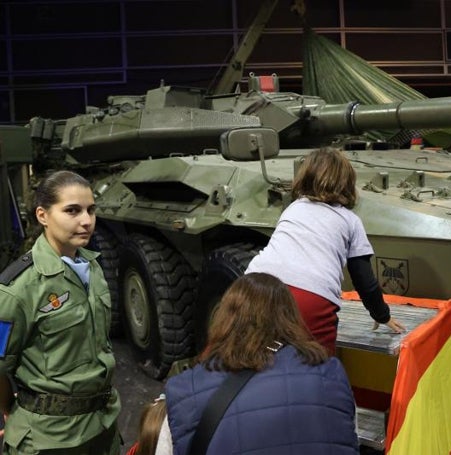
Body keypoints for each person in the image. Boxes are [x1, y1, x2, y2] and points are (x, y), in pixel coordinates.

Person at [156, 272, 359, 455]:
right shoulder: (332, 374)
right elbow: (350, 437)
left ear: (224, 319)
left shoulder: (184, 393)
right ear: (290, 318)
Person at [0, 170, 121, 454]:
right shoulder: (18, 288)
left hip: (103, 424)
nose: (86, 221)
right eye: (72, 211)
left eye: (91, 210)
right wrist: (8, 411)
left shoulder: (92, 268)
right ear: (42, 215)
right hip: (49, 438)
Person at [246, 147, 405, 353]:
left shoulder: (292, 208)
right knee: (316, 369)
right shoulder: (350, 221)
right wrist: (382, 315)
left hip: (252, 287)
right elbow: (364, 280)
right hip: (309, 297)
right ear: (347, 182)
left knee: (252, 359)